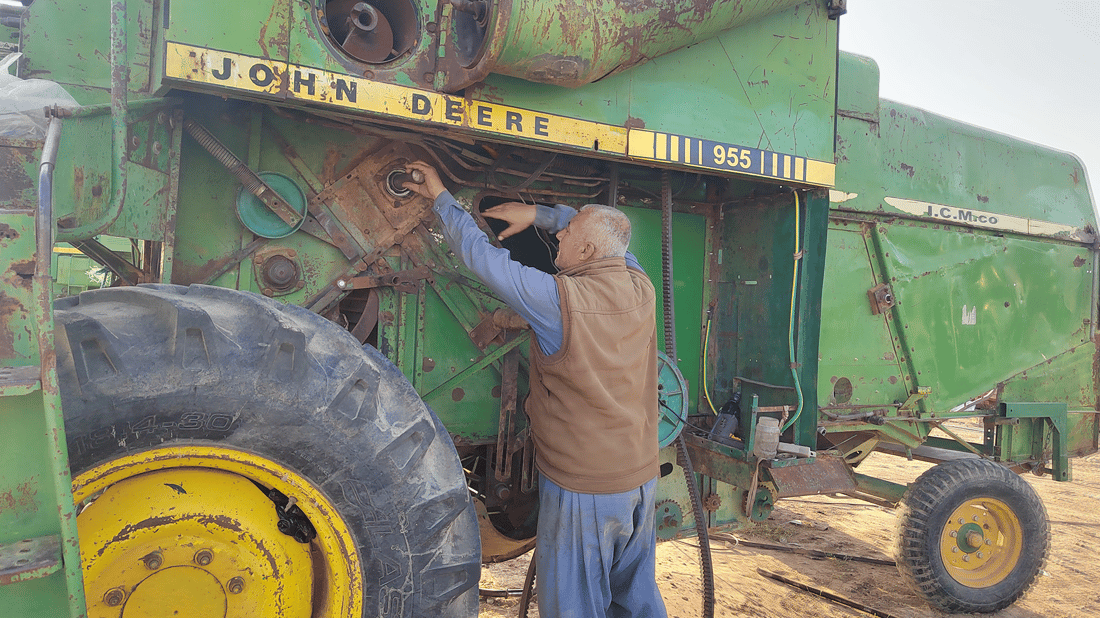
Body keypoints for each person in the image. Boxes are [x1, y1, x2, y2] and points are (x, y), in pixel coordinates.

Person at [404, 161, 667, 618]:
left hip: (584, 487)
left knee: (573, 607)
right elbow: (606, 233)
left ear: (585, 249)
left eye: (567, 235)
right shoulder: (639, 282)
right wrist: (540, 216)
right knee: (636, 600)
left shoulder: (558, 300)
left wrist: (440, 196)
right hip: (639, 479)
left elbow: (480, 257)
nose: (559, 238)